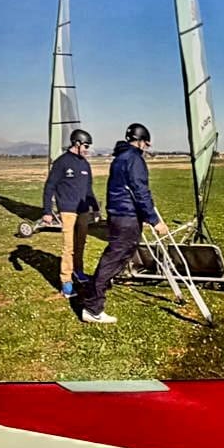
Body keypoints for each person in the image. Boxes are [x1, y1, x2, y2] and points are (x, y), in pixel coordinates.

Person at [78, 122, 168, 324]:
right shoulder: (134, 159)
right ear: (141, 142)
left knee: (118, 255)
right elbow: (140, 191)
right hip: (126, 216)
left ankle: (97, 289)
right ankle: (93, 307)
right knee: (113, 258)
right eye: (146, 143)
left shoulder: (119, 158)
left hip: (119, 215)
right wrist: (154, 221)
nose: (146, 148)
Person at [40, 127, 99, 298]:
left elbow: (89, 190)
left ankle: (78, 272)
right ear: (77, 143)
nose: (87, 150)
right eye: (86, 146)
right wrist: (47, 211)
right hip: (67, 210)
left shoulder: (85, 164)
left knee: (80, 245)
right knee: (69, 247)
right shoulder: (62, 162)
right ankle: (66, 282)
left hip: (83, 211)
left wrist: (95, 208)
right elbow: (49, 186)